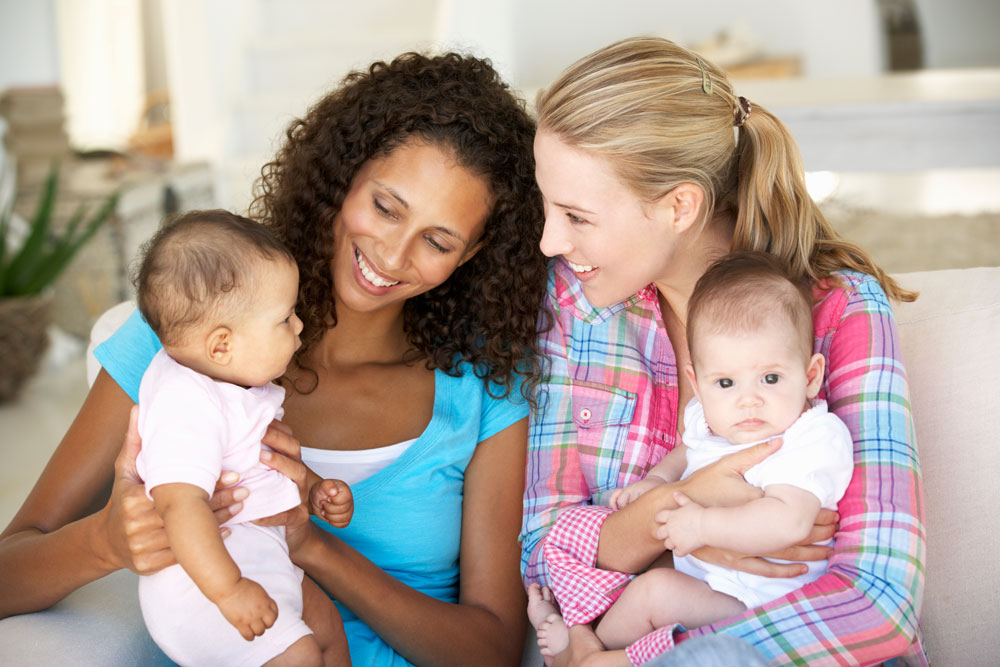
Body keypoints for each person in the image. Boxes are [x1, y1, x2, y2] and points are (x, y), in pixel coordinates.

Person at [0, 51, 548, 667]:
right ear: (345, 175)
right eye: (387, 207)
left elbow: (491, 652)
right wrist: (104, 544)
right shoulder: (186, 341)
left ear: (471, 257)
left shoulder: (484, 386)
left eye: (438, 240)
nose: (393, 255)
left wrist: (311, 545)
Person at [520, 37, 926, 666]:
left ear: (679, 205)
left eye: (577, 215)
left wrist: (645, 651)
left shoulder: (840, 311)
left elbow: (878, 600)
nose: (548, 241)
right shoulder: (578, 306)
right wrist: (686, 507)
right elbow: (544, 554)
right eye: (547, 207)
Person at [531, 251, 854, 657]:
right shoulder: (709, 419)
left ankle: (592, 653)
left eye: (770, 378)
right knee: (617, 565)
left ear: (810, 376)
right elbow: (687, 451)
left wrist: (702, 527)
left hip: (761, 604)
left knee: (655, 592)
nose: (748, 400)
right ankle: (580, 636)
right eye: (725, 383)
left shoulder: (811, 436)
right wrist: (656, 482)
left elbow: (790, 522)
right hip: (710, 577)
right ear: (697, 386)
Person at [131, 210, 353, 666]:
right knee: (301, 656)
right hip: (203, 585)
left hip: (263, 563)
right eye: (285, 319)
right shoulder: (184, 401)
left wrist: (314, 489)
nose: (299, 328)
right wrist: (228, 590)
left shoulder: (233, 384)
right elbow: (179, 504)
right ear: (221, 345)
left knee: (327, 628)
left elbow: (261, 462)